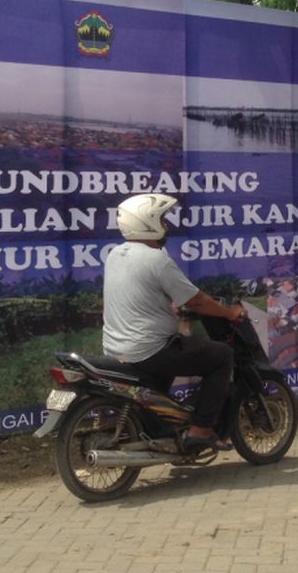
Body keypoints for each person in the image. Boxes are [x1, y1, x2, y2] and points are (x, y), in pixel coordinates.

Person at [103, 193, 245, 452]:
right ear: (148, 223)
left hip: (117, 348)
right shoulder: (156, 259)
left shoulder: (115, 254)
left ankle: (161, 430)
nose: (166, 226)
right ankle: (201, 428)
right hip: (150, 350)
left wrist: (168, 305)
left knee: (174, 356)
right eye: (162, 220)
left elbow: (141, 291)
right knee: (222, 355)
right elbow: (197, 301)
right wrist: (228, 314)